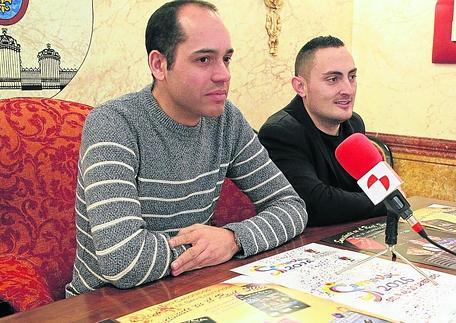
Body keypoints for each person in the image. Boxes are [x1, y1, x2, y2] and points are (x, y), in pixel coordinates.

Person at [65, 0, 307, 297]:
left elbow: (291, 207)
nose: (223, 75)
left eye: (226, 59)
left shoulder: (227, 121)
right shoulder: (114, 123)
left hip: (191, 292)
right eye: (204, 60)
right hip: (104, 304)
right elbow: (122, 261)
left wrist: (232, 239)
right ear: (159, 65)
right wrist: (207, 247)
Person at [258, 36, 386, 227]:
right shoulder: (280, 133)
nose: (347, 89)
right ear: (300, 86)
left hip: (353, 235)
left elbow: (381, 187)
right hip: (304, 245)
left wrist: (384, 198)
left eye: (351, 77)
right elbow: (316, 205)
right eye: (333, 79)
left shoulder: (354, 124)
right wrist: (384, 202)